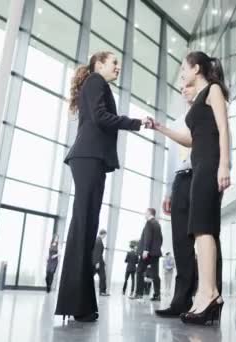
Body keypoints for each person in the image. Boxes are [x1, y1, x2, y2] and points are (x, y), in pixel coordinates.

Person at [55, 51, 151, 323]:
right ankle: (76, 302)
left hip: (90, 159)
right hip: (88, 157)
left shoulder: (95, 83)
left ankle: (81, 303)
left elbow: (98, 118)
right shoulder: (97, 81)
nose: (118, 68)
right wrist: (136, 123)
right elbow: (100, 117)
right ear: (99, 65)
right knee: (83, 226)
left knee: (86, 227)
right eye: (114, 63)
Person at [149, 51, 231, 325]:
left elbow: (224, 128)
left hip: (209, 166)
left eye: (184, 68)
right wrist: (162, 128)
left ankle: (209, 294)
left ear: (196, 68)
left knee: (204, 228)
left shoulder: (214, 90)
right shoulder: (199, 99)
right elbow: (190, 139)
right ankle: (208, 294)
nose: (182, 73)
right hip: (199, 166)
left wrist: (225, 166)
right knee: (200, 230)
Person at [156, 85, 222, 318]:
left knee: (206, 235)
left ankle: (211, 297)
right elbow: (171, 158)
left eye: (190, 85)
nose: (185, 89)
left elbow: (221, 138)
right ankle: (180, 301)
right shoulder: (176, 122)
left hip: (202, 174)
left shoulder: (208, 110)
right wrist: (167, 192)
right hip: (180, 179)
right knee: (180, 242)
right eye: (182, 87)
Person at [132, 208, 163, 301]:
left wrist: (146, 250)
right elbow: (160, 239)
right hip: (155, 253)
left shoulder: (149, 223)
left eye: (145, 213)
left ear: (149, 213)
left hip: (147, 253)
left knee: (139, 271)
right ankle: (157, 295)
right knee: (155, 274)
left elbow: (147, 237)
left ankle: (139, 293)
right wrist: (155, 249)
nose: (144, 214)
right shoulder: (157, 224)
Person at [92, 229, 109, 296]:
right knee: (103, 277)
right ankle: (102, 291)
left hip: (98, 262)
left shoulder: (97, 240)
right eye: (105, 235)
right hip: (98, 263)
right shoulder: (98, 241)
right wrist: (97, 262)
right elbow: (97, 253)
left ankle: (102, 291)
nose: (105, 237)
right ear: (103, 234)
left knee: (101, 276)